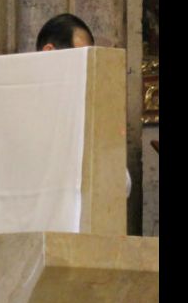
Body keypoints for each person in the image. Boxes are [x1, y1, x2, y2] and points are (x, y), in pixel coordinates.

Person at [36, 13, 131, 197]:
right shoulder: (15, 107)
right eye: (82, 56)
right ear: (49, 52)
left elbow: (121, 186)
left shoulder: (88, 109)